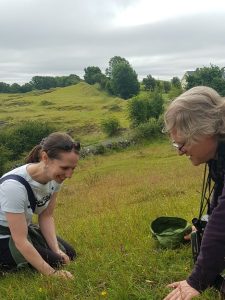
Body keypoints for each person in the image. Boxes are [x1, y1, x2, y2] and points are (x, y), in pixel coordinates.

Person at [163, 86, 225, 299]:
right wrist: (203, 225)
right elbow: (219, 197)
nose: (180, 151)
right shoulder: (219, 153)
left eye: (183, 143)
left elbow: (223, 221)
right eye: (176, 144)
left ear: (207, 130)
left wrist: (196, 282)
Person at [0, 132, 80, 279]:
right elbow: (20, 240)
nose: (69, 175)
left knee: (69, 254)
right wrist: (52, 274)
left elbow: (46, 215)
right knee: (56, 263)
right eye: (64, 168)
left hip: (23, 229)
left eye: (72, 168)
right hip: (5, 236)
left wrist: (57, 249)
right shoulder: (13, 186)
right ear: (45, 158)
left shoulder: (54, 179)